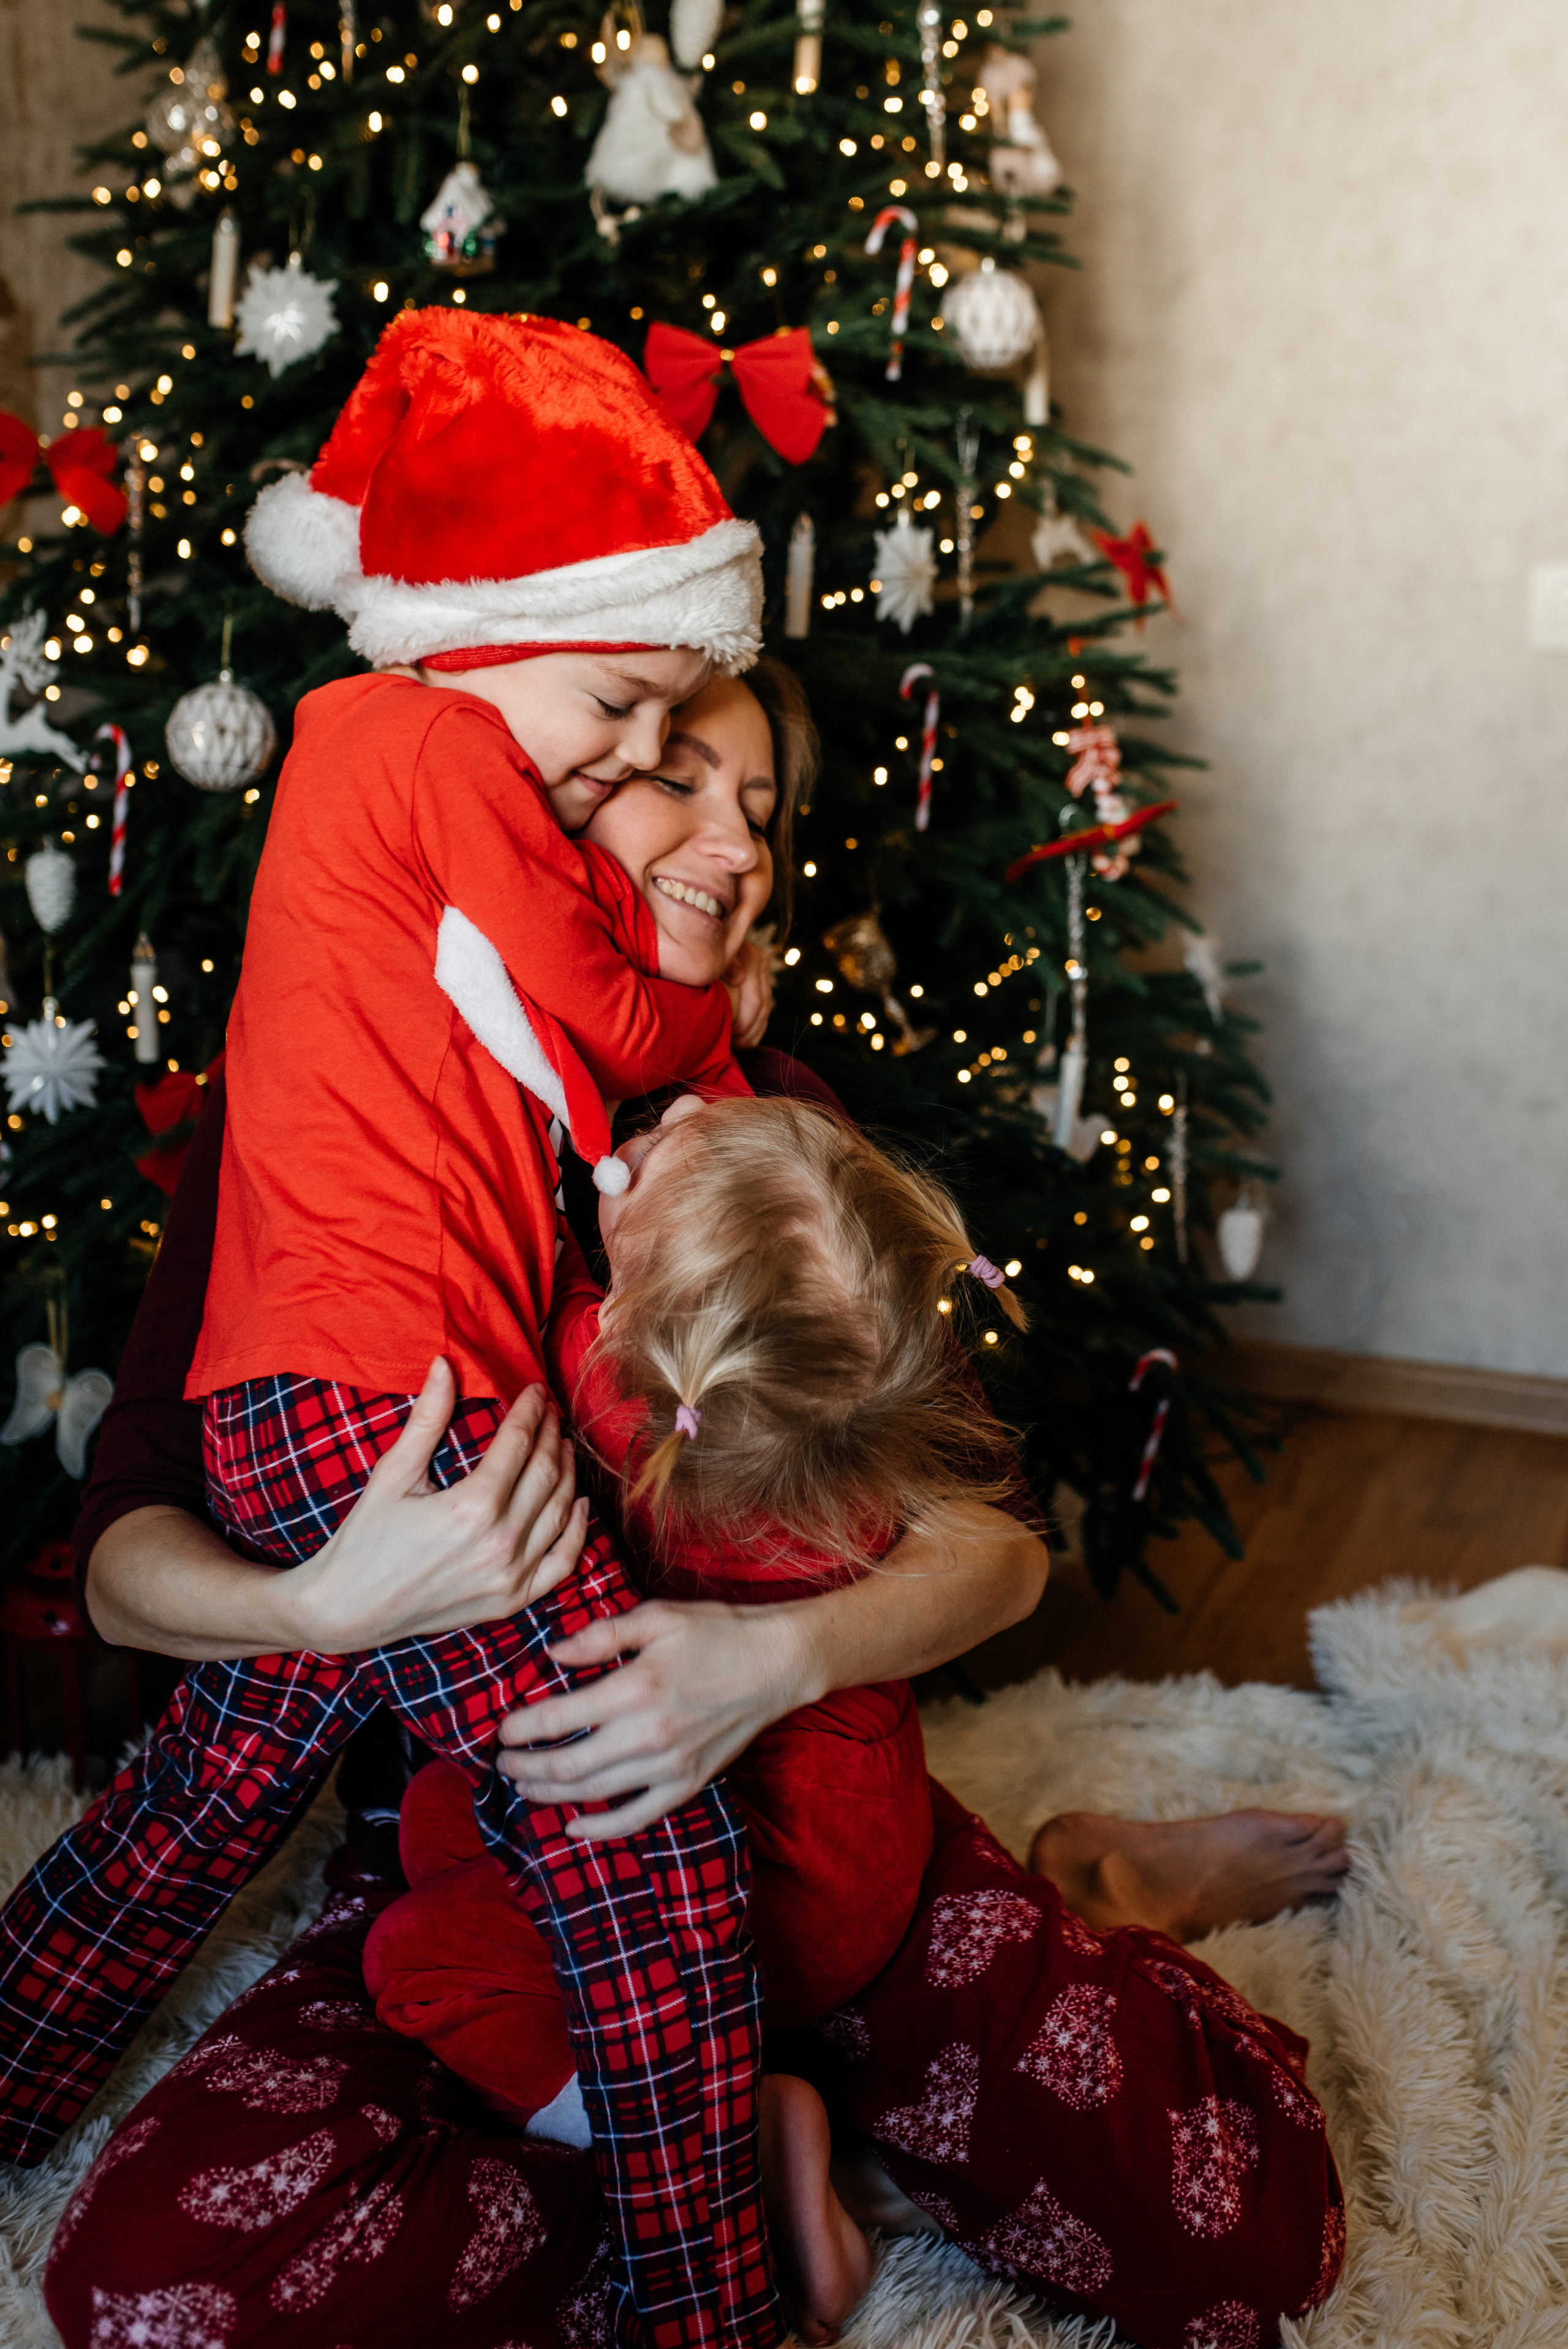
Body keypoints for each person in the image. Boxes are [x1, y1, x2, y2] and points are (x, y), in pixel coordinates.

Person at [45, 669, 1348, 2349]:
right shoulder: (331, 1104)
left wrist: (770, 1660)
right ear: (545, 815)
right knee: (158, 2293)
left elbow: (999, 1545)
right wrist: (321, 1601)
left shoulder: (775, 1140)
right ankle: (731, 2155)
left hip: (824, 1858)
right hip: (487, 1887)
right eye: (677, 780)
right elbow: (125, 1569)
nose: (734, 845)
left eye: (763, 810)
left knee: (1247, 2235)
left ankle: (1097, 1890)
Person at [0, 304, 798, 2349]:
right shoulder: (430, 746)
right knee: (648, 1851)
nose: (629, 762)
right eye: (621, 701)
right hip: (387, 1400)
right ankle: (703, 2310)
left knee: (208, 1784)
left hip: (329, 1396)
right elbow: (610, 1010)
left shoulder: (386, 782)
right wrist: (723, 1002)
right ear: (488, 623)